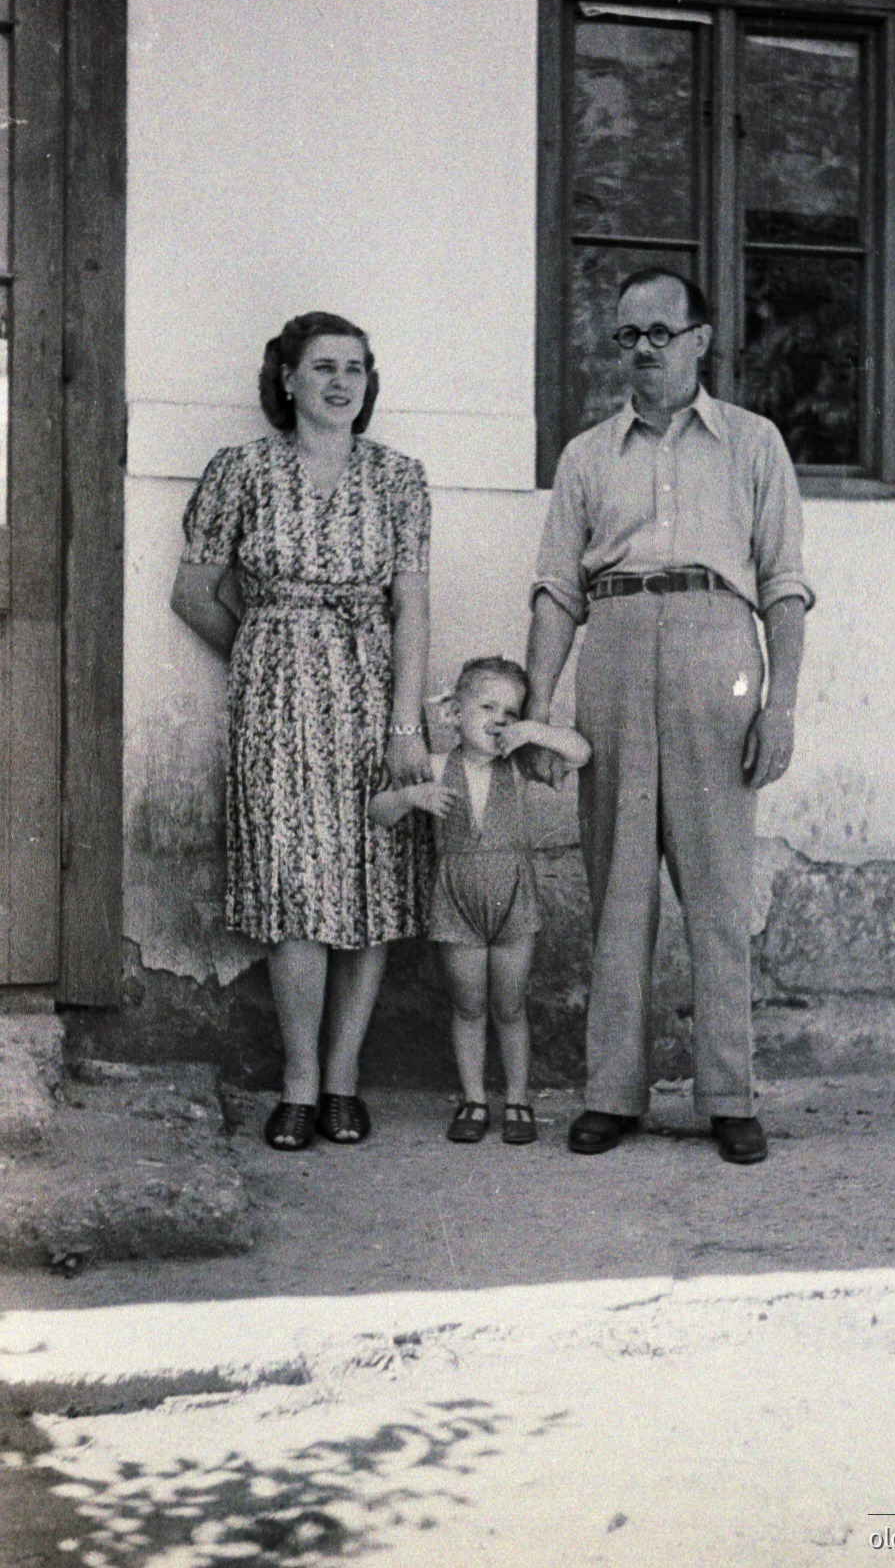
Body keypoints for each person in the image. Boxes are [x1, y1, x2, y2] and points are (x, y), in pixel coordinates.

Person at [526, 268, 814, 1164]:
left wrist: (782, 703)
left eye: (660, 332)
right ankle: (613, 1092)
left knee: (717, 890)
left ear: (699, 340)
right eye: (627, 336)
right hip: (612, 645)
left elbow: (785, 586)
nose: (643, 350)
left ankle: (728, 1093)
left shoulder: (753, 445)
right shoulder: (585, 457)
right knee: (616, 885)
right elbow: (554, 593)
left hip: (714, 653)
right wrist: (537, 711)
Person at [171, 311, 433, 1152]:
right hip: (276, 704)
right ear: (286, 377)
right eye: (321, 366)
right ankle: (295, 1082)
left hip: (371, 699)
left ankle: (343, 1081)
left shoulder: (398, 477)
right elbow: (193, 592)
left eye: (355, 367)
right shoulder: (240, 470)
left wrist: (403, 721)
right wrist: (265, 649)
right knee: (297, 892)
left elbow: (412, 608)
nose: (339, 382)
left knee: (370, 887)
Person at [370, 656, 591, 1145]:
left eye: (510, 712)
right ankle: (473, 1100)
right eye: (487, 706)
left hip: (513, 898)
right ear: (453, 713)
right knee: (468, 1006)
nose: (499, 719)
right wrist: (412, 798)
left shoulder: (519, 766)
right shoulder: (433, 766)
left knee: (510, 1007)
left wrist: (536, 730)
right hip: (456, 901)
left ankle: (518, 1099)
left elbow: (580, 752)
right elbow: (378, 811)